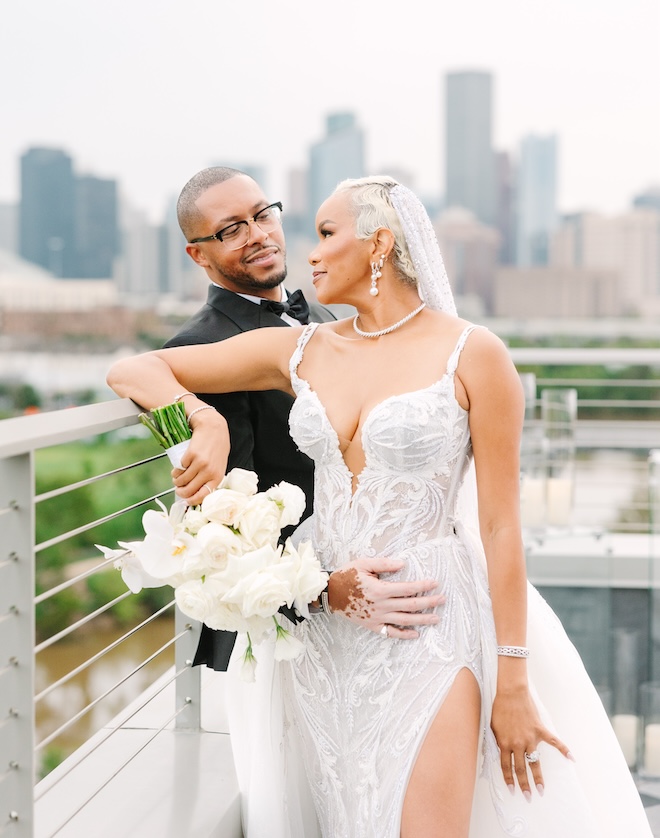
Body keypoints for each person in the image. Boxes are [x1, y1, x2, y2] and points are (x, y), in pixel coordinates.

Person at [107, 176, 652, 838]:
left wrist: (512, 681)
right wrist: (202, 420)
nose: (307, 252)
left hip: (431, 623)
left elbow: (503, 526)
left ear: (379, 245)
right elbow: (132, 370)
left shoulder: (475, 353)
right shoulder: (299, 351)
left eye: (327, 234)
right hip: (326, 632)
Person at [167, 166, 442, 672]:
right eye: (232, 230)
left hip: (373, 582)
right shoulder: (201, 346)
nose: (259, 235)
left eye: (262, 215)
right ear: (198, 254)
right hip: (295, 617)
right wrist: (324, 592)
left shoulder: (319, 320)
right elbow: (231, 520)